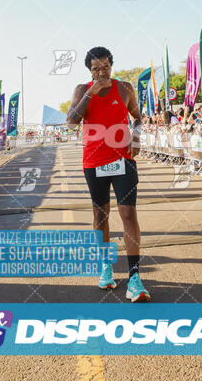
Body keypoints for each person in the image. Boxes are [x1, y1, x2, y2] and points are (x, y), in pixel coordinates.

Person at [67, 47, 150, 303]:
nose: (101, 72)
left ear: (111, 65)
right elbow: (71, 120)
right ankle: (105, 266)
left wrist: (136, 135)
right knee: (100, 215)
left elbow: (138, 117)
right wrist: (90, 93)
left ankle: (134, 277)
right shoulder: (82, 89)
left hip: (122, 159)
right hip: (94, 161)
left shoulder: (125, 88)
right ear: (89, 71)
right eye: (96, 69)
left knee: (128, 213)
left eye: (105, 67)